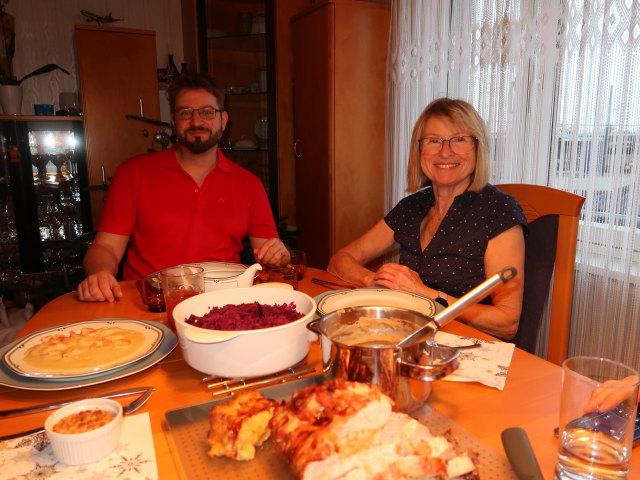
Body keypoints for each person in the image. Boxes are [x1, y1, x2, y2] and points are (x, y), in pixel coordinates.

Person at [78, 73, 290, 302]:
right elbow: (106, 248)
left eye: (207, 112)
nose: (197, 122)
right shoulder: (133, 173)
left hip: (225, 302)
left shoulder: (249, 184)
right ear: (173, 120)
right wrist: (100, 273)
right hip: (151, 303)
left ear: (224, 120)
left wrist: (278, 255)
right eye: (186, 113)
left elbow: (269, 253)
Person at [327, 98, 526, 339]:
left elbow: (507, 322)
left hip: (468, 347)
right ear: (420, 151)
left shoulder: (498, 211)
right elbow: (340, 260)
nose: (445, 152)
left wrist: (423, 293)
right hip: (408, 337)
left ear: (477, 148)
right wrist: (375, 280)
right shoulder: (413, 206)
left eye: (459, 140)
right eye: (434, 141)